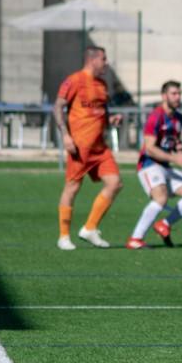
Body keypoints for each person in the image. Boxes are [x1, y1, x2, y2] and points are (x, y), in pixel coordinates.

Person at [54, 46, 123, 250]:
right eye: (104, 59)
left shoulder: (102, 84)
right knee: (72, 188)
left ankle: (90, 228)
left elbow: (101, 112)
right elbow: (58, 106)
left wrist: (111, 120)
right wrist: (65, 135)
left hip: (100, 149)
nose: (106, 62)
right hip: (80, 147)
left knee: (115, 183)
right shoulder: (74, 80)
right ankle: (63, 237)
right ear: (93, 60)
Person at [126, 80, 182, 249]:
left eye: (179, 94)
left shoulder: (178, 118)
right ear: (164, 96)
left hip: (165, 166)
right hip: (149, 165)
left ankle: (165, 224)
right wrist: (176, 159)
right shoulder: (156, 116)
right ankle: (135, 239)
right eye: (173, 94)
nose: (178, 97)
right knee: (160, 198)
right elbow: (149, 149)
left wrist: (180, 151)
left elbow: (174, 140)